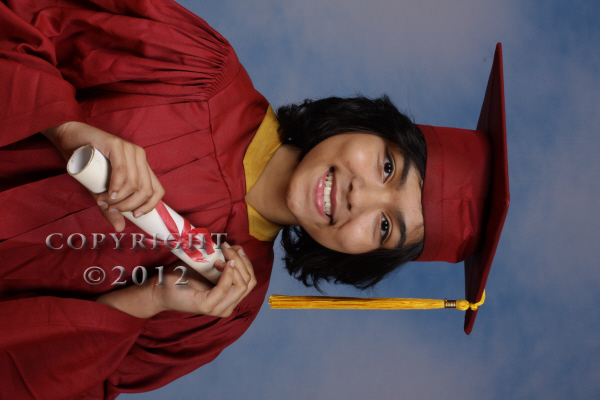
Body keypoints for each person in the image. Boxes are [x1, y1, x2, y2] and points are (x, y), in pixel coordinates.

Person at [0, 0, 508, 399]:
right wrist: (64, 126)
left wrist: (151, 298)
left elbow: (45, 382)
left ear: (361, 258)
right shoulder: (198, 68)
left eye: (384, 227)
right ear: (367, 124)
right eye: (388, 167)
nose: (361, 197)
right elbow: (23, 16)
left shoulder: (222, 308)